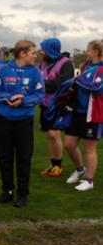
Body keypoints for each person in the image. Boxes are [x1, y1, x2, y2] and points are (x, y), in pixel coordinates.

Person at [0, 40, 44, 208]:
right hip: (3, 121)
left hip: (24, 122)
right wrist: (8, 99)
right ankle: (7, 191)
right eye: (33, 53)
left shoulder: (35, 72)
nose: (36, 56)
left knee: (24, 159)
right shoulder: (4, 69)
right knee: (5, 158)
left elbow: (40, 94)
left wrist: (23, 100)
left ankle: (22, 194)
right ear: (22, 54)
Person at [63, 40, 103, 191]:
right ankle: (80, 169)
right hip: (78, 112)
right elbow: (80, 83)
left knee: (89, 148)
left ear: (95, 51)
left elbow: (98, 88)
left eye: (89, 49)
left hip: (92, 114)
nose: (87, 52)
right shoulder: (87, 66)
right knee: (69, 144)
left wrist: (78, 80)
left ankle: (89, 180)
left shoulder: (101, 69)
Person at [37, 38, 75, 177]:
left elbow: (62, 84)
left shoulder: (66, 63)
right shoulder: (44, 63)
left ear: (51, 49)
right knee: (49, 135)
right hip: (44, 104)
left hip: (58, 104)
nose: (41, 52)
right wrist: (47, 82)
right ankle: (53, 164)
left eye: (44, 49)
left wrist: (45, 83)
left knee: (54, 134)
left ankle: (58, 165)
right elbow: (41, 81)